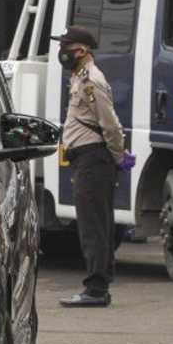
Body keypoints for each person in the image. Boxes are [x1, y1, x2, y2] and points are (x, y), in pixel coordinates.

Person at [54, 26, 134, 308]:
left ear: (81, 50)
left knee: (93, 225)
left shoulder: (91, 81)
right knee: (98, 222)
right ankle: (99, 285)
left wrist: (118, 155)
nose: (61, 52)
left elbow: (110, 124)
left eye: (65, 47)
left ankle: (96, 289)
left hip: (93, 158)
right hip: (89, 158)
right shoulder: (80, 77)